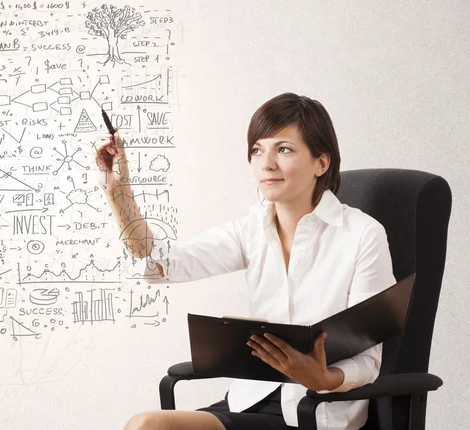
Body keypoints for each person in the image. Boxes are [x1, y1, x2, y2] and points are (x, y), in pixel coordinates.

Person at [94, 93, 396, 430]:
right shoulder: (252, 227)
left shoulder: (363, 235)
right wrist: (120, 195)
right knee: (147, 425)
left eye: (284, 149)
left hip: (318, 413)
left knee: (150, 425)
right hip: (248, 402)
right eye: (257, 150)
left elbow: (369, 360)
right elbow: (164, 263)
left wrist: (323, 377)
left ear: (321, 163)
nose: (266, 163)